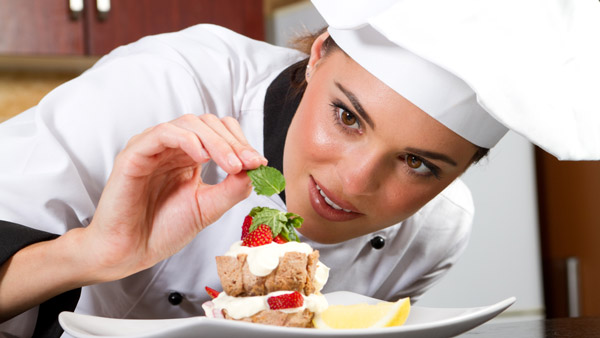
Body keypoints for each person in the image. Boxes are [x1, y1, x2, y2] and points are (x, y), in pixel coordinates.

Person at [1, 0, 599, 336]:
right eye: (347, 116)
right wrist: (93, 254)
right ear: (317, 56)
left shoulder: (436, 233)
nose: (355, 181)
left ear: (467, 168)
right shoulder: (166, 85)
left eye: (418, 164)